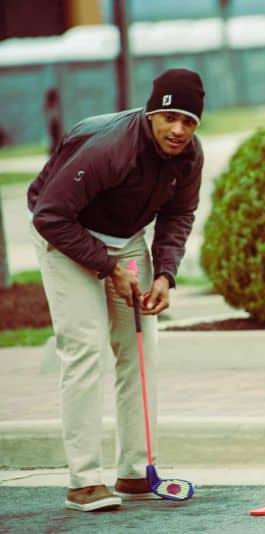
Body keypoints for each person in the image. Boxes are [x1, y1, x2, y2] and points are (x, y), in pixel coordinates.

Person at [27, 68, 205, 512]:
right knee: (86, 349)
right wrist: (107, 268)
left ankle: (136, 472)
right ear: (152, 114)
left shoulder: (189, 156)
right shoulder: (111, 147)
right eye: (171, 118)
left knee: (141, 352)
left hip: (126, 240)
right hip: (66, 234)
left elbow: (178, 215)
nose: (179, 129)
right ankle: (84, 481)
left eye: (189, 121)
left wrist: (164, 274)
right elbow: (49, 216)